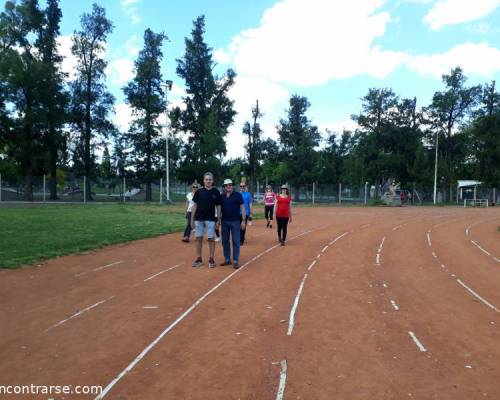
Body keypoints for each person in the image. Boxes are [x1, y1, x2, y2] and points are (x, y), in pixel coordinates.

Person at [190, 172, 222, 268]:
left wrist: (218, 219)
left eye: (210, 179)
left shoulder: (216, 192)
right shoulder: (199, 192)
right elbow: (194, 205)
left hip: (211, 219)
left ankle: (211, 259)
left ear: (212, 181)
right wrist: (192, 219)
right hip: (199, 219)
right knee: (198, 238)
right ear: (204, 181)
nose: (208, 181)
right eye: (206, 179)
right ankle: (199, 258)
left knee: (211, 239)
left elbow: (219, 206)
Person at [220, 179, 246, 269]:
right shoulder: (221, 196)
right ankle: (227, 259)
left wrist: (243, 220)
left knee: (236, 241)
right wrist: (218, 220)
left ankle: (235, 260)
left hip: (235, 221)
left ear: (233, 186)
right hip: (224, 221)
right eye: (226, 185)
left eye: (230, 185)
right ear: (224, 187)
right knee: (225, 241)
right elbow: (219, 209)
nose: (228, 186)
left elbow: (242, 208)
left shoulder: (238, 195)